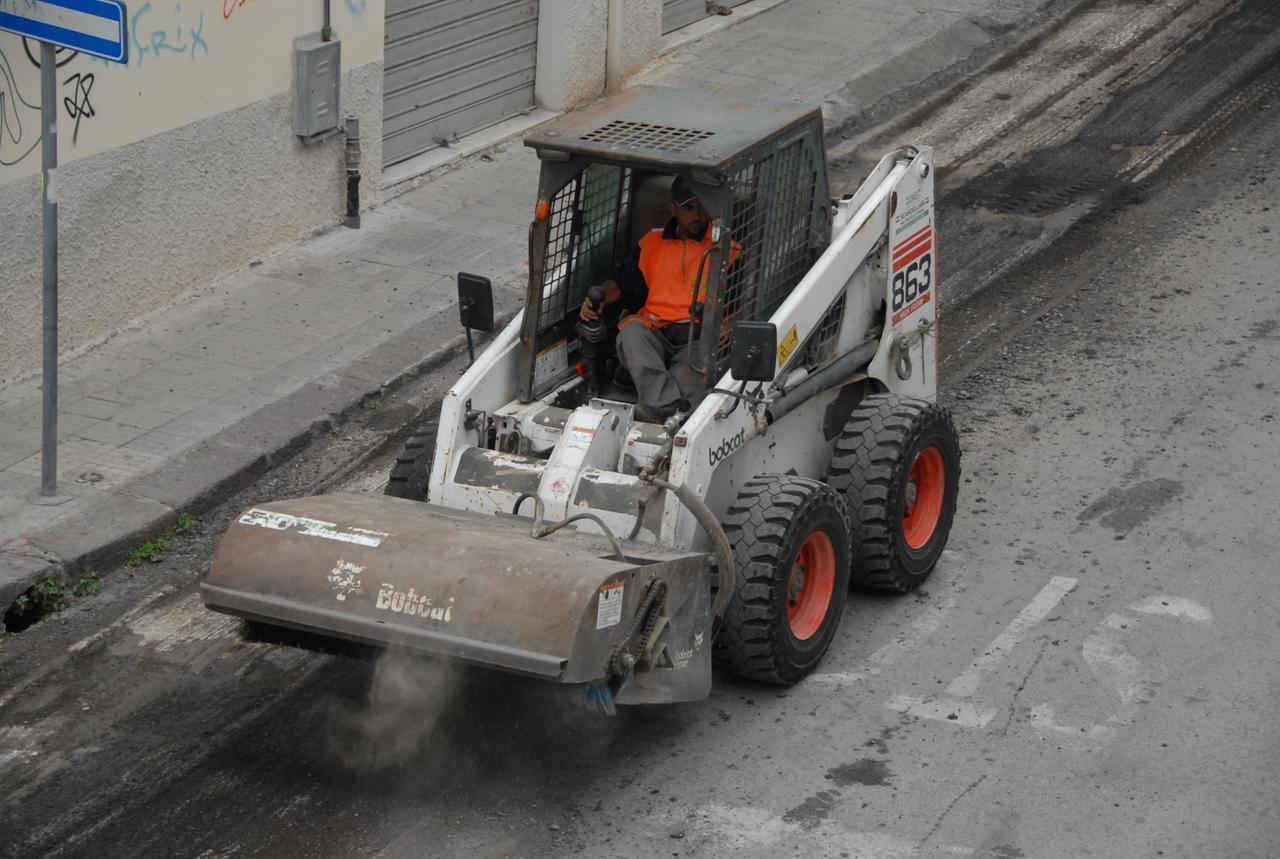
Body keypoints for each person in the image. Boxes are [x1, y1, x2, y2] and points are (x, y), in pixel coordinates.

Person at [579, 177, 739, 422]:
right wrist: (597, 299)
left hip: (696, 338)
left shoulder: (728, 249)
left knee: (695, 367)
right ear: (672, 208)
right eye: (688, 208)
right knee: (630, 332)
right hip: (654, 332)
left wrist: (730, 322)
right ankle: (667, 406)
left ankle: (658, 405)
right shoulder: (651, 244)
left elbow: (745, 300)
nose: (696, 215)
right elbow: (620, 283)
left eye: (701, 207)